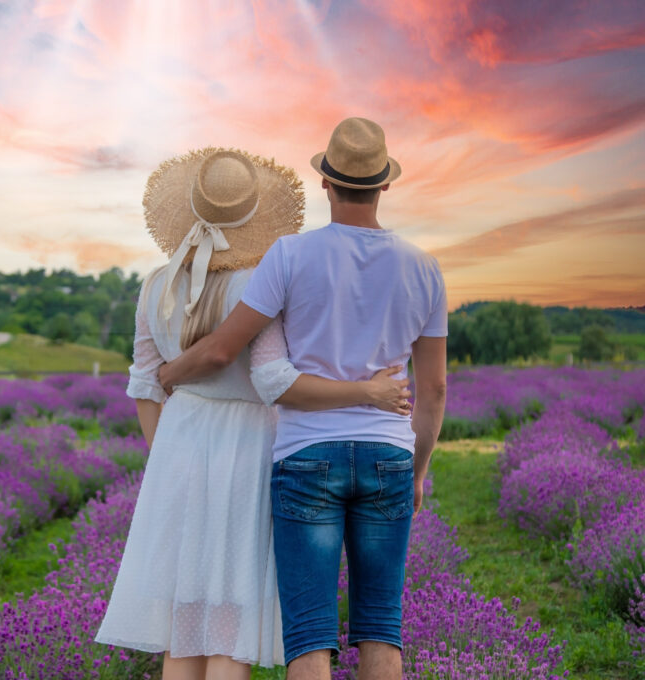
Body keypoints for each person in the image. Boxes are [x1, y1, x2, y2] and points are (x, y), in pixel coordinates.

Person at [94, 147, 415, 680]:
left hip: (178, 443)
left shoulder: (156, 285)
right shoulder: (261, 284)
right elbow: (273, 380)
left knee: (185, 617)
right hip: (248, 445)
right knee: (229, 617)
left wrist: (164, 454)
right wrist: (365, 391)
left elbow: (144, 383)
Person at [158, 119, 449, 680]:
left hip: (307, 456)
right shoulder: (423, 267)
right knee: (381, 629)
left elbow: (223, 349)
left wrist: (169, 373)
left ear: (325, 183)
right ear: (385, 184)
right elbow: (433, 389)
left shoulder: (290, 256)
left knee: (310, 636)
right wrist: (417, 469)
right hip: (388, 453)